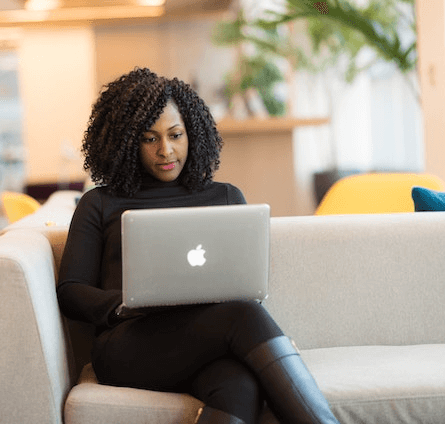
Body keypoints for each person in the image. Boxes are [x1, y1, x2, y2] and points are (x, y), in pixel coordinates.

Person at [57, 67, 340, 424]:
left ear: (193, 132)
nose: (166, 150)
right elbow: (71, 290)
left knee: (239, 385)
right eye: (149, 139)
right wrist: (126, 305)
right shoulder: (100, 202)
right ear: (127, 142)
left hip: (211, 341)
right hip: (129, 347)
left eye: (176, 134)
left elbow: (245, 282)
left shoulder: (225, 197)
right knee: (244, 316)